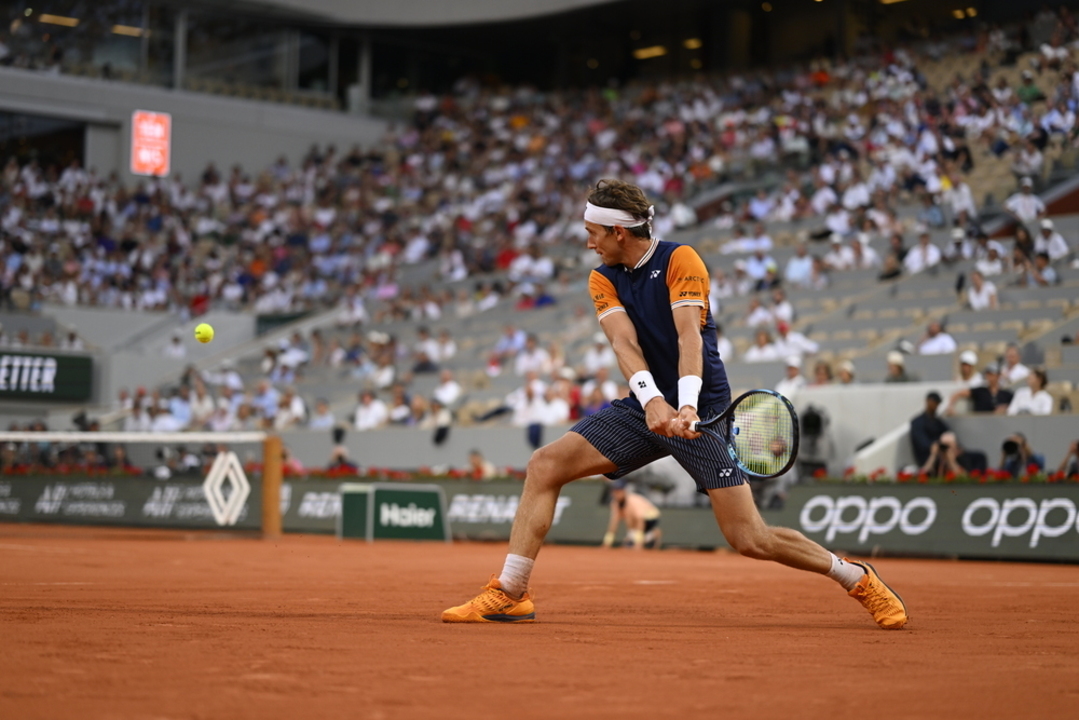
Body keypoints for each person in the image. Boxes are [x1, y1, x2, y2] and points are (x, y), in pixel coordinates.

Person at [442, 179, 907, 629]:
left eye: (592, 234)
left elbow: (690, 337)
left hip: (700, 409)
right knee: (545, 465)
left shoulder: (681, 259)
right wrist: (652, 403)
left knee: (749, 538)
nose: (588, 244)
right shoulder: (602, 278)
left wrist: (685, 407)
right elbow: (625, 346)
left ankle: (856, 577)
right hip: (646, 405)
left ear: (617, 232)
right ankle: (511, 592)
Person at [601, 479, 662, 550]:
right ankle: (652, 535)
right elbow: (614, 523)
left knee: (632, 524)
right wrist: (607, 543)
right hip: (636, 520)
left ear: (624, 491)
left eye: (619, 490)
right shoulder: (614, 503)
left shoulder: (633, 501)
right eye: (614, 491)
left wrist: (638, 544)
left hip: (651, 517)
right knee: (629, 544)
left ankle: (653, 534)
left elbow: (640, 520)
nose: (616, 493)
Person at [946, 365, 1014, 415]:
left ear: (998, 376)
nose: (989, 377)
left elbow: (1016, 405)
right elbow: (958, 393)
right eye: (988, 374)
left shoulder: (1007, 394)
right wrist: (950, 406)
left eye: (992, 374)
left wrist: (1006, 408)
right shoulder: (980, 391)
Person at [920, 431, 988, 478]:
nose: (945, 449)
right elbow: (923, 474)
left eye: (948, 445)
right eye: (944, 445)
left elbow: (965, 478)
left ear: (955, 446)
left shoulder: (963, 457)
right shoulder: (938, 460)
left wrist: (951, 462)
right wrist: (933, 455)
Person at [910, 392, 948, 468]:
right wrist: (936, 445)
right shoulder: (918, 422)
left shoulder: (937, 421)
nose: (936, 405)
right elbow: (923, 443)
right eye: (934, 402)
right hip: (927, 455)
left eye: (937, 403)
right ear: (928, 401)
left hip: (941, 452)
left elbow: (947, 432)